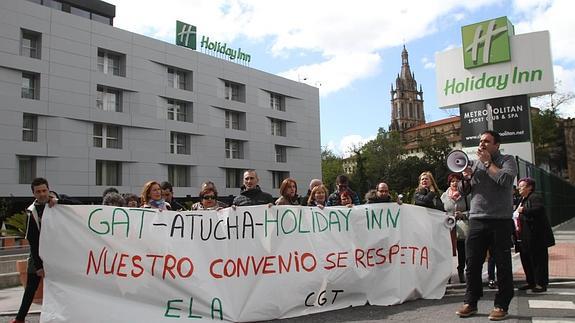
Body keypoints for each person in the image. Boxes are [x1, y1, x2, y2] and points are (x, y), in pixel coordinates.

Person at [455, 130, 517, 321]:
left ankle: (501, 304)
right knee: (472, 264)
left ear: (496, 145)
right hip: (477, 219)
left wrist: (488, 163)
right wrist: (465, 178)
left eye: (486, 141)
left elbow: (505, 180)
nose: (482, 144)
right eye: (480, 141)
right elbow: (463, 191)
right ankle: (470, 302)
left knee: (502, 264)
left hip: (500, 220)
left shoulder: (507, 160)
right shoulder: (473, 164)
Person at [11, 178, 76, 323]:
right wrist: (39, 266)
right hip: (38, 253)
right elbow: (33, 241)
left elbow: (79, 207)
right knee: (31, 287)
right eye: (38, 192)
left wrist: (58, 201)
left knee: (65, 285)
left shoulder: (60, 201)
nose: (42, 194)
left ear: (48, 190)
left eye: (44, 190)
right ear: (33, 193)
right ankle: (19, 318)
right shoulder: (31, 212)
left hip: (59, 253)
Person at [516, 177, 555, 293]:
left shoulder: (535, 197)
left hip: (536, 236)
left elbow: (538, 210)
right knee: (527, 259)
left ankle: (541, 283)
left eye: (522, 186)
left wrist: (524, 211)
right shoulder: (523, 199)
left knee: (538, 261)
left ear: (530, 187)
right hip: (524, 236)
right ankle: (531, 282)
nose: (519, 188)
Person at [441, 173, 470, 283]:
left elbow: (473, 210)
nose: (454, 183)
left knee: (463, 252)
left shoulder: (466, 195)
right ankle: (447, 275)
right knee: (448, 252)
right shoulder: (444, 196)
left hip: (463, 229)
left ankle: (462, 272)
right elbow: (441, 211)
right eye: (452, 181)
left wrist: (463, 215)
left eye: (457, 181)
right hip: (448, 228)